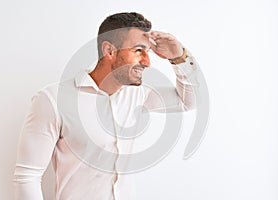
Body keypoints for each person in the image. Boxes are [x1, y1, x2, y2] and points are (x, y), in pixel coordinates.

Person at [13, 12, 200, 200]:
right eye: (138, 50)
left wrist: (179, 57)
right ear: (109, 50)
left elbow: (188, 101)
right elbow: (27, 177)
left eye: (147, 52)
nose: (147, 62)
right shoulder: (52, 99)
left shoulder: (138, 95)